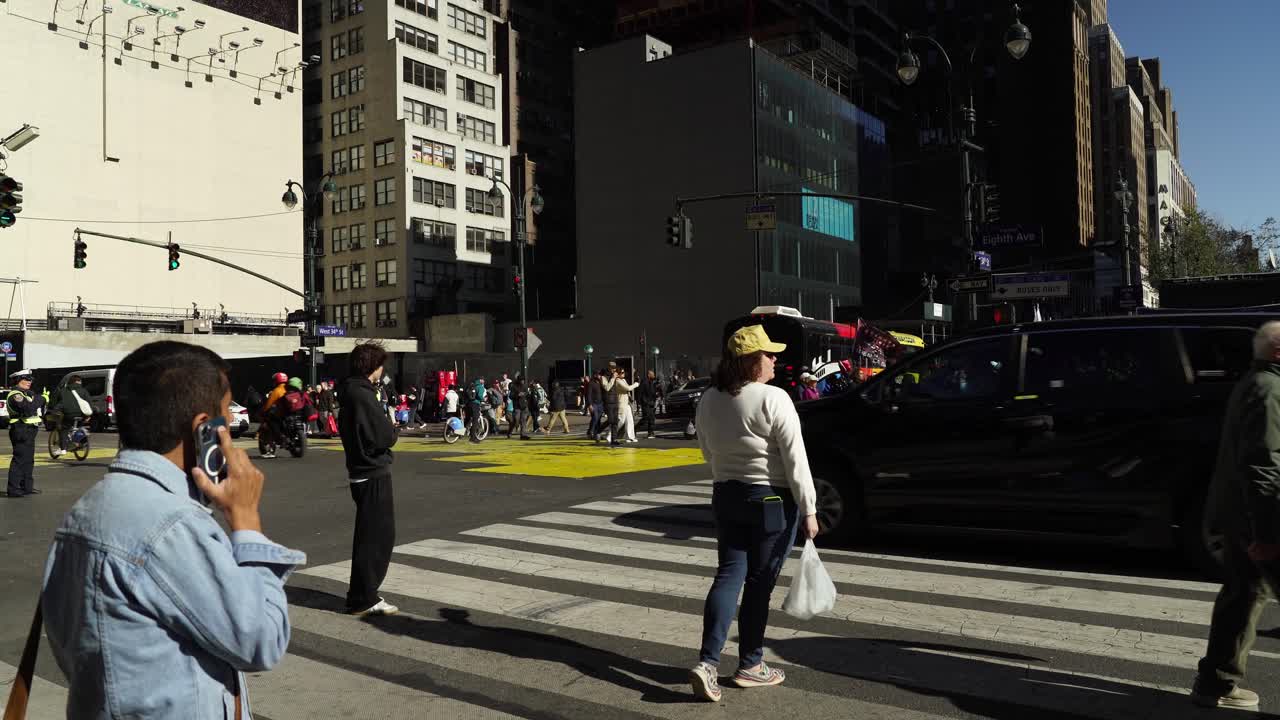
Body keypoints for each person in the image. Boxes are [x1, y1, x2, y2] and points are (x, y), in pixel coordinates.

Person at [40, 341, 305, 717]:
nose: (230, 421)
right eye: (226, 410)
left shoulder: (89, 508)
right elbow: (262, 639)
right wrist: (247, 524)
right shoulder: (169, 525)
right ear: (204, 428)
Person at [688, 324, 818, 703]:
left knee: (728, 576)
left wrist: (727, 473)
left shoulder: (709, 397)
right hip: (771, 500)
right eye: (769, 354)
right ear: (751, 361)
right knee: (759, 585)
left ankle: (708, 662)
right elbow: (796, 460)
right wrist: (809, 509)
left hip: (726, 493)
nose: (775, 359)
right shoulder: (774, 398)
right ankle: (750, 664)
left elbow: (706, 449)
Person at [1192, 321, 1280, 709]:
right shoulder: (1269, 390)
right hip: (1256, 517)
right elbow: (1263, 464)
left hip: (1238, 512)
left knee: (1243, 594)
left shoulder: (1257, 383)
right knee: (1244, 594)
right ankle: (1216, 682)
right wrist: (1266, 533)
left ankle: (1216, 682)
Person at [336, 342, 400, 617]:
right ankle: (364, 596)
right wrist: (391, 429)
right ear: (372, 366)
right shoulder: (362, 394)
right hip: (371, 471)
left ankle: (361, 594)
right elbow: (383, 435)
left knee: (371, 535)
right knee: (376, 537)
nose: (382, 369)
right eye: (380, 364)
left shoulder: (352, 391)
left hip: (362, 472)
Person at [6, 369, 45, 497]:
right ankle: (13, 489)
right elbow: (28, 409)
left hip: (29, 430)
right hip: (20, 429)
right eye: (26, 379)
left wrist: (38, 399)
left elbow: (33, 405)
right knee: (19, 460)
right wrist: (41, 399)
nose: (29, 382)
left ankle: (27, 487)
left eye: (30, 380)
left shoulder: (27, 394)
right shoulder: (15, 395)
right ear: (18, 380)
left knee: (28, 460)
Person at [55, 374, 92, 456]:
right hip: (81, 415)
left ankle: (63, 449)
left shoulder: (63, 391)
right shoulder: (84, 390)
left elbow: (57, 402)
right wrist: (88, 416)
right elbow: (89, 403)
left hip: (68, 414)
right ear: (78, 382)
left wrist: (55, 410)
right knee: (80, 426)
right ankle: (80, 442)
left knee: (63, 428)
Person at [603, 365, 639, 445]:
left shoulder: (623, 380)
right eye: (622, 372)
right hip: (621, 403)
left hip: (627, 403)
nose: (624, 374)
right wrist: (636, 384)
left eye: (624, 372)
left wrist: (630, 397)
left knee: (630, 420)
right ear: (618, 374)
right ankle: (609, 435)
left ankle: (630, 437)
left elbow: (627, 390)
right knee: (620, 421)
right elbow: (628, 388)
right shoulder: (617, 381)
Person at [637, 370, 660, 439]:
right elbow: (640, 392)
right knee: (645, 418)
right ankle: (635, 429)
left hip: (651, 402)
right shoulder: (644, 382)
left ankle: (651, 433)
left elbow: (652, 392)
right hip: (645, 402)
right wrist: (639, 402)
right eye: (652, 375)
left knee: (652, 418)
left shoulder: (653, 382)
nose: (654, 376)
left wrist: (656, 394)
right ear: (648, 375)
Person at [508, 376, 531, 440]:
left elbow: (527, 394)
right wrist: (517, 395)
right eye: (521, 380)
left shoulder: (524, 386)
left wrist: (525, 394)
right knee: (516, 420)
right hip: (517, 406)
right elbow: (510, 396)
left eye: (523, 380)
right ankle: (510, 432)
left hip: (524, 406)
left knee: (523, 420)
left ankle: (523, 435)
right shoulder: (514, 387)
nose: (522, 381)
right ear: (518, 381)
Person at [587, 370, 606, 442]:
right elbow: (588, 395)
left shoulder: (601, 383)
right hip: (594, 404)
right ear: (594, 375)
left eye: (600, 375)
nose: (599, 376)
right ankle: (590, 431)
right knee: (595, 417)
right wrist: (590, 405)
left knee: (598, 420)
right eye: (598, 375)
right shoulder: (591, 383)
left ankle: (597, 434)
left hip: (600, 403)